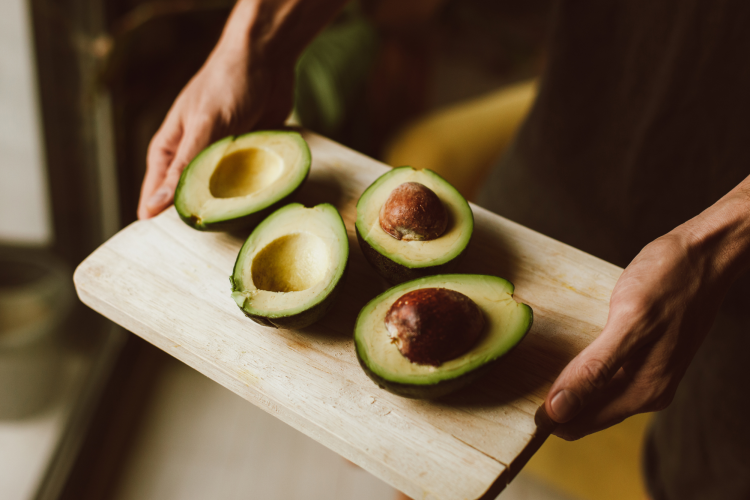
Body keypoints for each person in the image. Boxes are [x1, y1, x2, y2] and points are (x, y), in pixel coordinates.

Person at [138, 1, 750, 498]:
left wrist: (719, 240)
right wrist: (252, 43)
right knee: (416, 445)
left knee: (712, 474)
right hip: (575, 145)